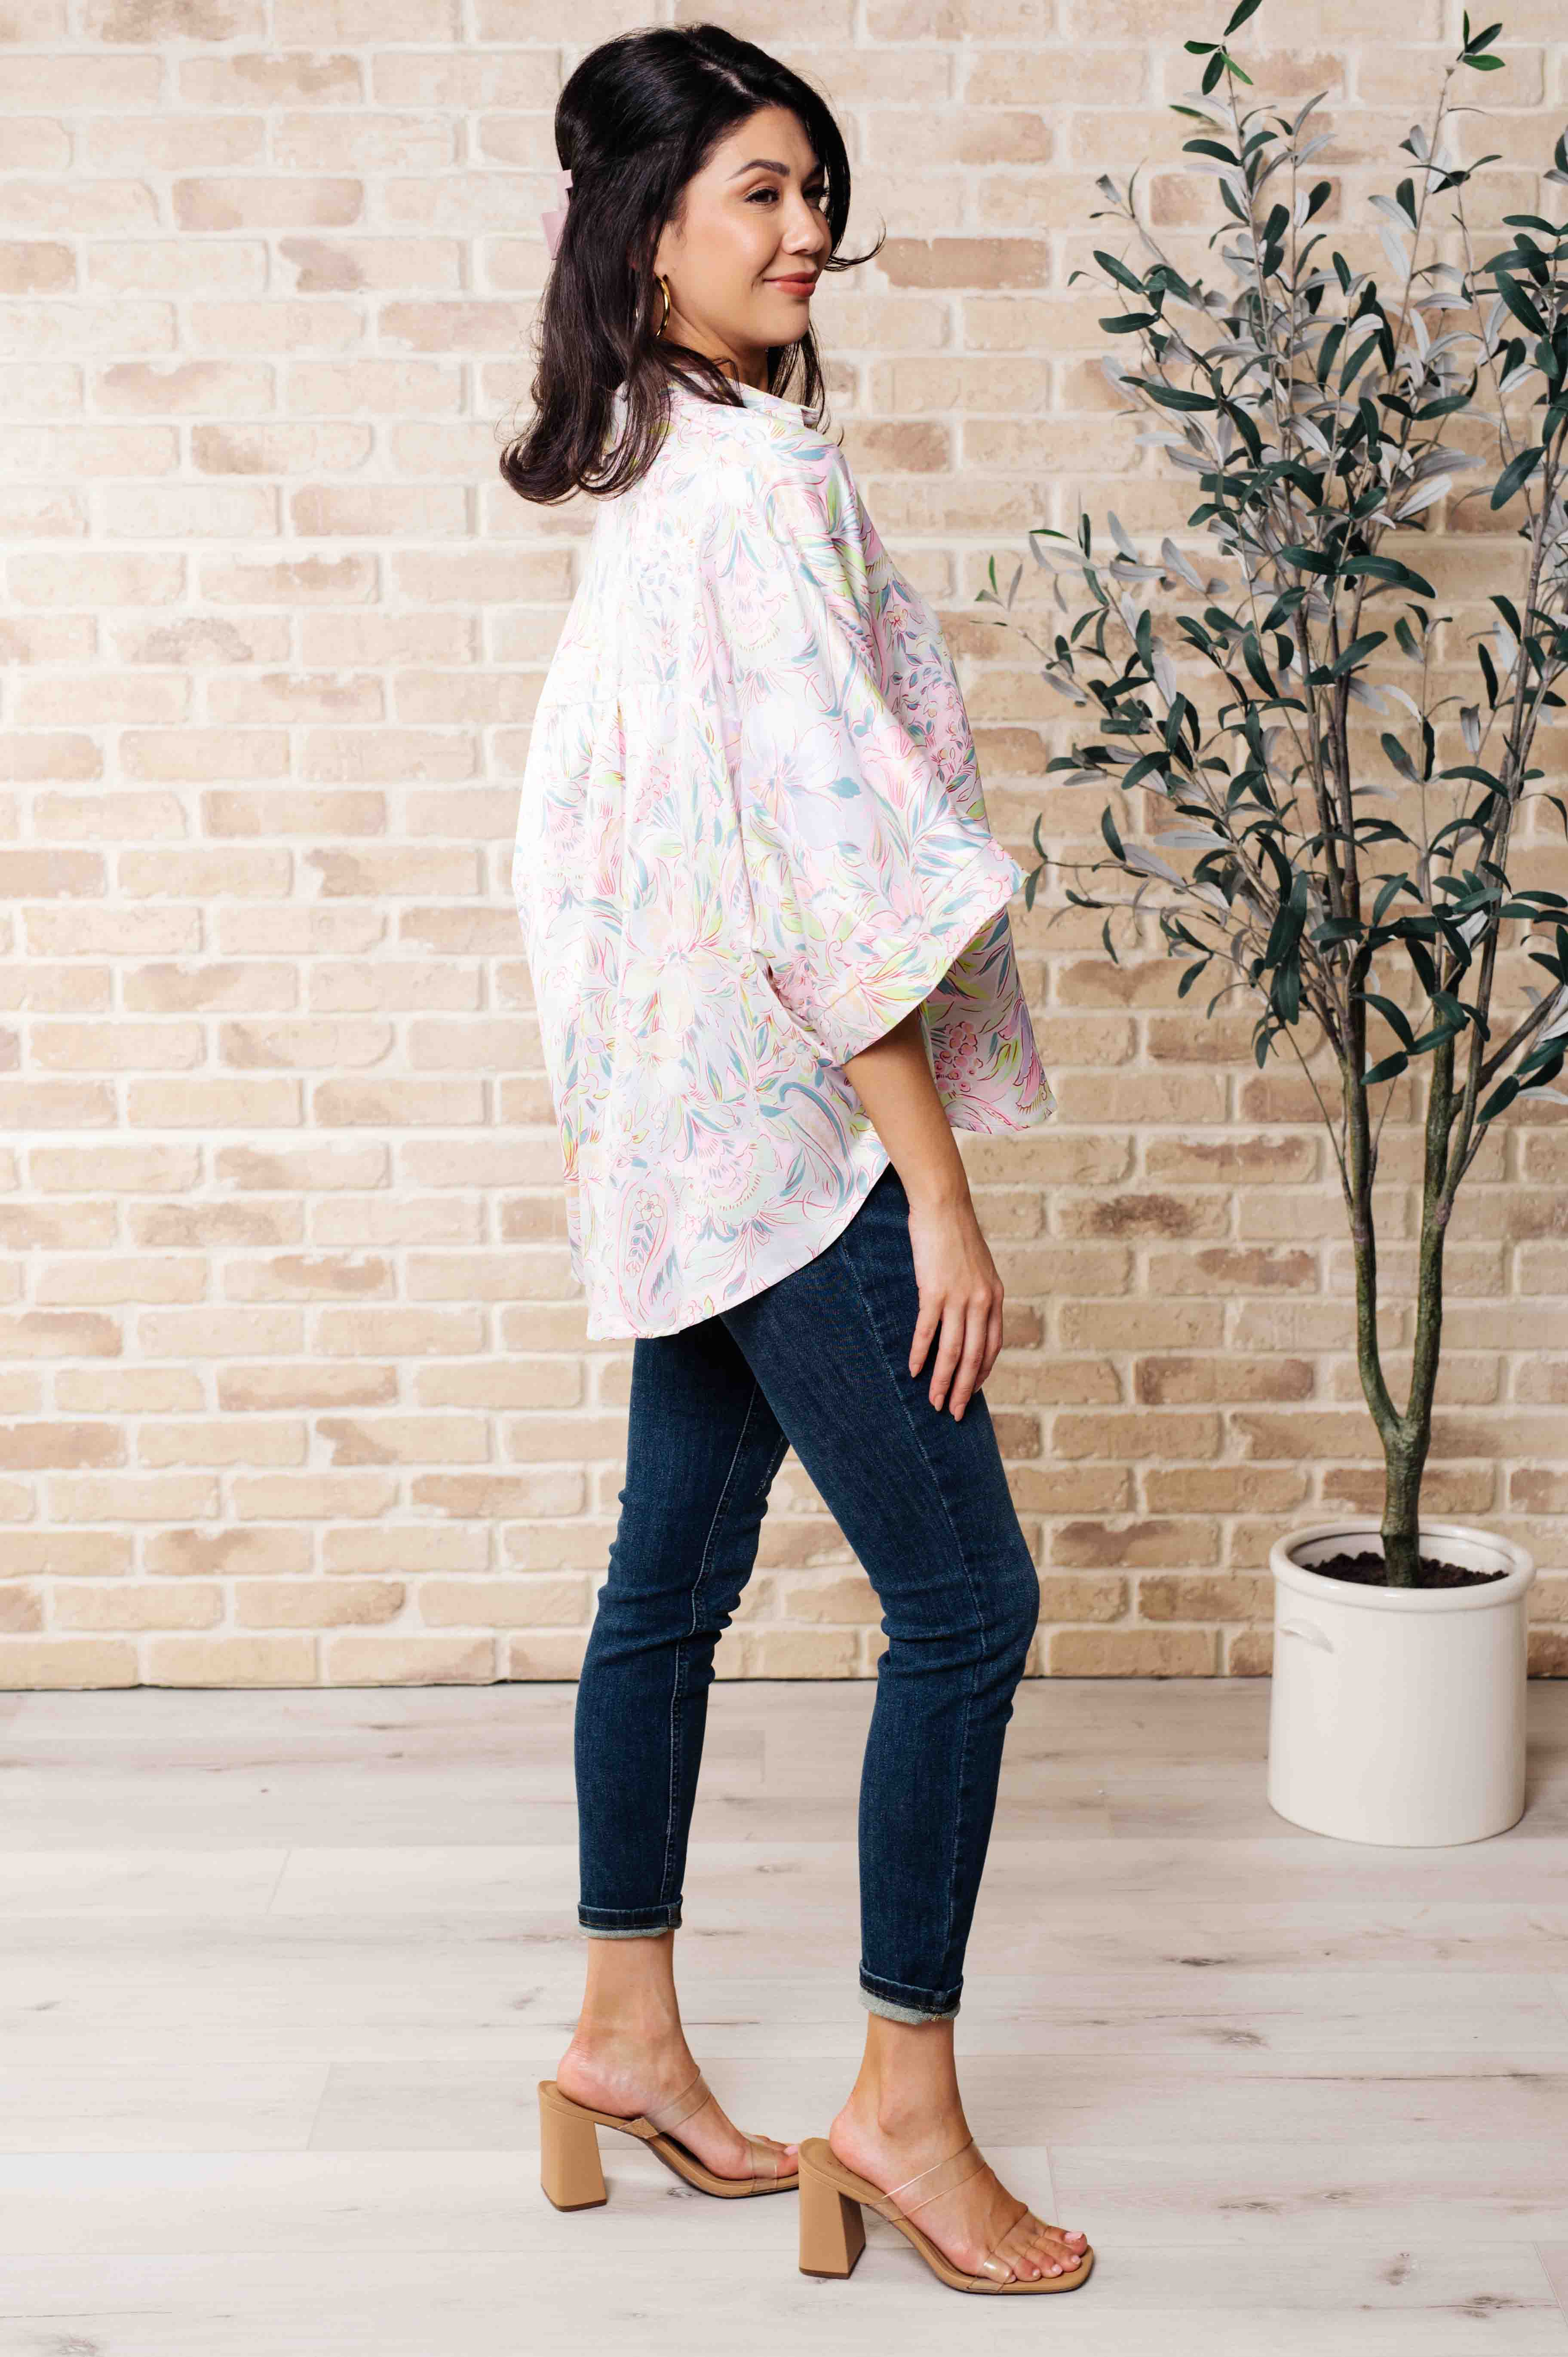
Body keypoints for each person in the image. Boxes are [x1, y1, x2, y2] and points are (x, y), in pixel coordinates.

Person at [503, 22, 1092, 2296]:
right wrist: (933, 1188)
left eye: (815, 187)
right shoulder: (750, 492)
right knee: (970, 1605)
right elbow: (829, 873)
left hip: (678, 1144)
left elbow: (593, 860)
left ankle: (623, 2042)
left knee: (666, 1583)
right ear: (643, 229)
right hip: (784, 1142)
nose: (808, 228)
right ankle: (904, 2118)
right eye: (760, 188)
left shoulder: (661, 477)